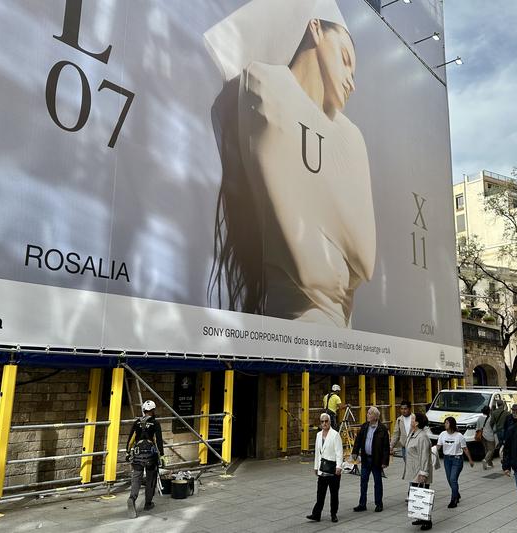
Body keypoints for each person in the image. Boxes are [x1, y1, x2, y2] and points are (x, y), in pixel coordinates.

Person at [205, 0, 376, 327]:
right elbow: (333, 265)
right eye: (345, 60)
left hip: (335, 329)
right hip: (301, 324)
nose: (351, 81)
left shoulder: (347, 132)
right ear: (315, 28)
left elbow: (363, 262)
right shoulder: (267, 85)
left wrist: (323, 224)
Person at [125, 400, 165, 518]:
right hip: (150, 457)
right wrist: (161, 456)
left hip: (137, 455)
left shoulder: (137, 423)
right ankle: (148, 503)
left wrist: (128, 453)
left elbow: (130, 440)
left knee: (136, 478)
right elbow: (159, 441)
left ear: (143, 411)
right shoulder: (155, 423)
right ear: (152, 411)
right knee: (150, 479)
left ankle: (132, 498)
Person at [352, 406, 390, 512]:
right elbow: (358, 440)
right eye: (368, 413)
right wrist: (355, 451)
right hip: (365, 458)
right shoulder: (364, 426)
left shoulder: (382, 429)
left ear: (375, 416)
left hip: (376, 459)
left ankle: (379, 504)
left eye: (369, 413)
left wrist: (384, 461)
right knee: (363, 481)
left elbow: (386, 447)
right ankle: (362, 504)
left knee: (377, 482)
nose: (367, 415)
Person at [307, 412, 343, 523]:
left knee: (334, 494)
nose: (324, 423)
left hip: (333, 469)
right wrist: (316, 466)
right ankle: (316, 514)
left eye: (326, 421)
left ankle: (333, 514)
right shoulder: (318, 435)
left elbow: (339, 452)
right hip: (322, 470)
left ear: (330, 422)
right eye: (322, 421)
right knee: (320, 494)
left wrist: (339, 466)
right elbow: (318, 453)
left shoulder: (335, 434)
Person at [402, 412, 434, 531]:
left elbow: (424, 456)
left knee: (423, 496)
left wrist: (423, 473)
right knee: (417, 495)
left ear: (417, 423)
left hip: (420, 472)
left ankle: (427, 520)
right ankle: (420, 517)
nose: (411, 420)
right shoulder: (413, 433)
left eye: (413, 419)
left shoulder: (422, 437)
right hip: (414, 471)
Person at [436, 416, 474, 508]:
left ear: (452, 424)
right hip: (447, 459)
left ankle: (454, 500)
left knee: (453, 479)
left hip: (457, 459)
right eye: (445, 423)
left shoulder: (459, 436)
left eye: (447, 423)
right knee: (450, 479)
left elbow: (465, 448)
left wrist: (470, 460)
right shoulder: (442, 434)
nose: (445, 424)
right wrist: (431, 452)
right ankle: (456, 493)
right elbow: (438, 446)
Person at [475, 405, 497, 469]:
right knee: (491, 450)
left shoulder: (479, 418)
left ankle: (490, 464)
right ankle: (485, 460)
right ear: (489, 411)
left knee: (486, 449)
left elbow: (477, 427)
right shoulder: (491, 418)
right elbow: (494, 428)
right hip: (490, 435)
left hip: (482, 435)